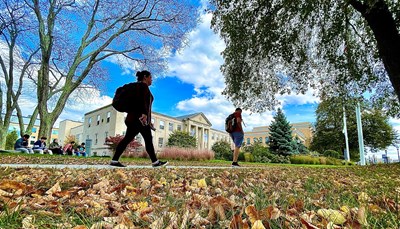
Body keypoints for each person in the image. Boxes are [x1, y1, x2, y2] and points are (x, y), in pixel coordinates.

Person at [110, 70, 168, 168]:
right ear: (145, 77)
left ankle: (114, 160)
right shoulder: (143, 86)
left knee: (127, 139)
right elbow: (142, 102)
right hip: (139, 119)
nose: (151, 80)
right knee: (148, 139)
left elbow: (142, 104)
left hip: (133, 118)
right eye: (150, 77)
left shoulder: (136, 87)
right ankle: (155, 162)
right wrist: (145, 115)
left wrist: (149, 121)